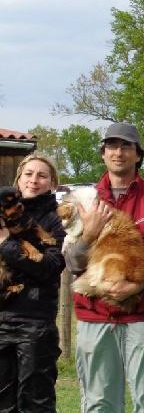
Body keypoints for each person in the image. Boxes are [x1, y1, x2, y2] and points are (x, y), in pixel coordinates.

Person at [63, 122, 144, 412]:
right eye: (112, 146)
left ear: (138, 155)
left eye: (126, 146)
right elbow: (71, 262)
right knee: (98, 404)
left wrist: (139, 283)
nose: (118, 152)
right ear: (103, 154)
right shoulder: (84, 201)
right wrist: (89, 236)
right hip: (95, 317)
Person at [0, 153, 65, 413]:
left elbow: (50, 267)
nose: (33, 180)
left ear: (52, 183)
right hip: (1, 319)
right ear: (18, 179)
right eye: (28, 174)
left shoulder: (56, 220)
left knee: (35, 403)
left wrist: (6, 244)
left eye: (41, 175)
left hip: (35, 323)